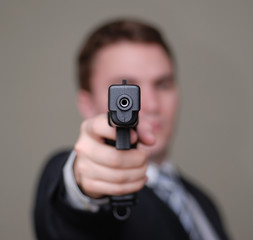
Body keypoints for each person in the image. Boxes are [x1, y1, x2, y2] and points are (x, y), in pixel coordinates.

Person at [33, 19, 231, 240]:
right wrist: (80, 188)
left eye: (163, 84)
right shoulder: (86, 188)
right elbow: (68, 214)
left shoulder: (202, 202)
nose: (151, 105)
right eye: (125, 92)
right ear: (87, 105)